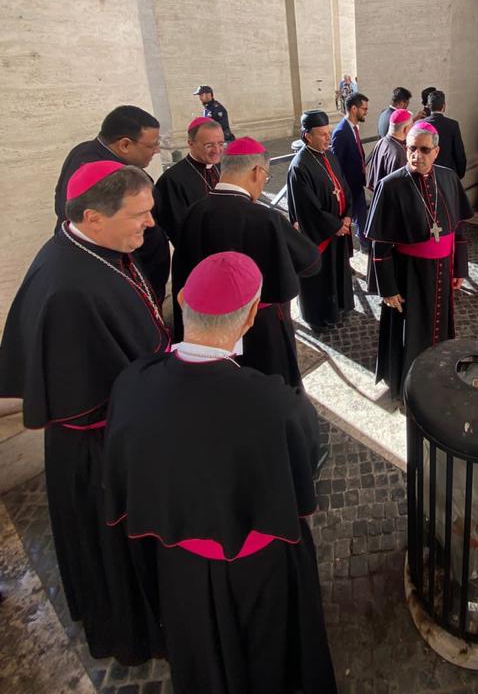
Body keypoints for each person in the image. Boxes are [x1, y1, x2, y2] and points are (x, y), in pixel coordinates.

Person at [103, 252, 337, 694]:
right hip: (260, 572)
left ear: (183, 300)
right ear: (250, 316)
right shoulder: (277, 405)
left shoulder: (131, 384)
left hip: (181, 570)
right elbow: (301, 473)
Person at [0, 162, 168, 663]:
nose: (151, 223)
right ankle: (134, 631)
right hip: (100, 451)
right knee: (115, 550)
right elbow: (92, 388)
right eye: (139, 214)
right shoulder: (67, 290)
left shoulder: (94, 249)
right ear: (93, 217)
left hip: (117, 433)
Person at [172, 138, 320, 386]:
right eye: (266, 177)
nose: (263, 182)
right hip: (260, 328)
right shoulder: (266, 218)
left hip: (206, 329)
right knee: (267, 387)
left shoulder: (193, 213)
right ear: (256, 171)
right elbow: (311, 263)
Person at [365, 122, 473, 399]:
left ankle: (437, 375)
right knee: (409, 331)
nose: (417, 155)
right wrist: (387, 288)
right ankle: (407, 385)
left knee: (440, 326)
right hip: (408, 274)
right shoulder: (391, 185)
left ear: (436, 151)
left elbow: (459, 228)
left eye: (424, 150)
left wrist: (460, 267)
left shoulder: (448, 178)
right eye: (412, 148)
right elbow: (380, 244)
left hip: (442, 270)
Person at [54, 105, 170, 302]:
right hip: (123, 272)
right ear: (124, 145)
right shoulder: (102, 174)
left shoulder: (84, 150)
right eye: (152, 145)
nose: (157, 150)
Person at [287, 110, 354, 332]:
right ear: (308, 135)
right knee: (320, 279)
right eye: (322, 134)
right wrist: (336, 226)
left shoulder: (329, 156)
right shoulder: (299, 166)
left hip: (338, 230)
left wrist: (347, 215)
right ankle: (318, 318)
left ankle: (340, 307)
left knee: (338, 273)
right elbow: (308, 209)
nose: (328, 138)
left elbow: (343, 187)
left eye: (329, 132)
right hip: (320, 236)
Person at [153, 117, 225, 245]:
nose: (216, 150)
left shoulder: (223, 168)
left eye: (220, 144)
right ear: (191, 144)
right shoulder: (172, 179)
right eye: (209, 145)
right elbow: (177, 229)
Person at [331, 92, 370, 249]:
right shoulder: (341, 132)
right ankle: (353, 247)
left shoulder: (353, 128)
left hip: (356, 183)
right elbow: (337, 164)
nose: (366, 112)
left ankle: (365, 243)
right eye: (364, 109)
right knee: (351, 217)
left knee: (362, 215)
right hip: (348, 187)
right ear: (354, 109)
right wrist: (343, 189)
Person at [423, 89, 467, 179]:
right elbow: (459, 152)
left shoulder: (420, 124)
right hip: (447, 173)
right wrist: (460, 173)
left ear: (429, 106)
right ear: (444, 106)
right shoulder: (453, 125)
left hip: (426, 173)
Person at [367, 108, 410, 191]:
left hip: (378, 192)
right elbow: (399, 187)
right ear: (406, 129)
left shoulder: (381, 142)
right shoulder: (399, 153)